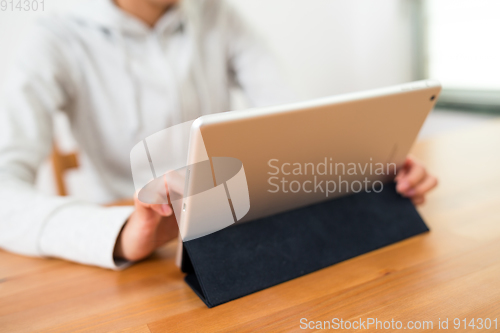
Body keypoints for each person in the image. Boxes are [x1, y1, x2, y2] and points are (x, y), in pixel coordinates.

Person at [0, 0, 438, 269]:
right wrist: (117, 233)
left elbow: (292, 121)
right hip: (137, 263)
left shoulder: (218, 14)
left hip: (236, 233)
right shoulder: (54, 38)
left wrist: (365, 168)